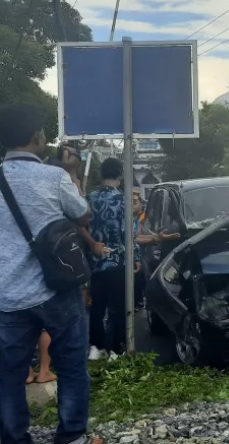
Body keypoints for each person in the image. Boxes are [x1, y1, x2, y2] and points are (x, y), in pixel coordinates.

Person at [0, 103, 93, 444]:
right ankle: (71, 437)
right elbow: (83, 215)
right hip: (57, 291)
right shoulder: (53, 177)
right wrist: (71, 175)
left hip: (7, 296)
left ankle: (12, 438)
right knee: (71, 369)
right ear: (37, 137)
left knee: (8, 374)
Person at [87, 158, 141, 360]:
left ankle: (95, 347)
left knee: (97, 305)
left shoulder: (89, 197)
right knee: (120, 306)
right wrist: (136, 255)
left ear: (102, 174)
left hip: (97, 259)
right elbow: (129, 232)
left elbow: (84, 226)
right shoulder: (123, 199)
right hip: (119, 259)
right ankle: (116, 350)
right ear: (120, 175)